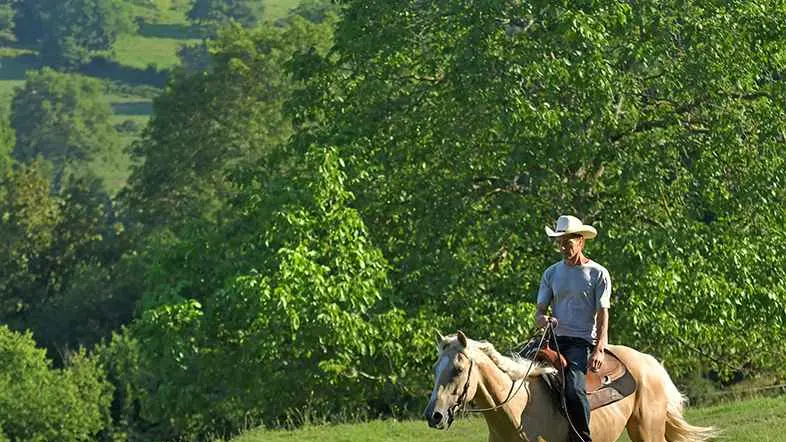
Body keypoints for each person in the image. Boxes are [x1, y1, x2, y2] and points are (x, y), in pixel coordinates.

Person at [535, 215, 611, 442]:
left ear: (581, 242)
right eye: (559, 242)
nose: (563, 247)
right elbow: (540, 310)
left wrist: (599, 348)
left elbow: (603, 313)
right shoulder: (551, 273)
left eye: (568, 242)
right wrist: (542, 318)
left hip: (580, 341)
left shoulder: (598, 273)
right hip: (553, 339)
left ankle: (582, 438)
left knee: (573, 390)